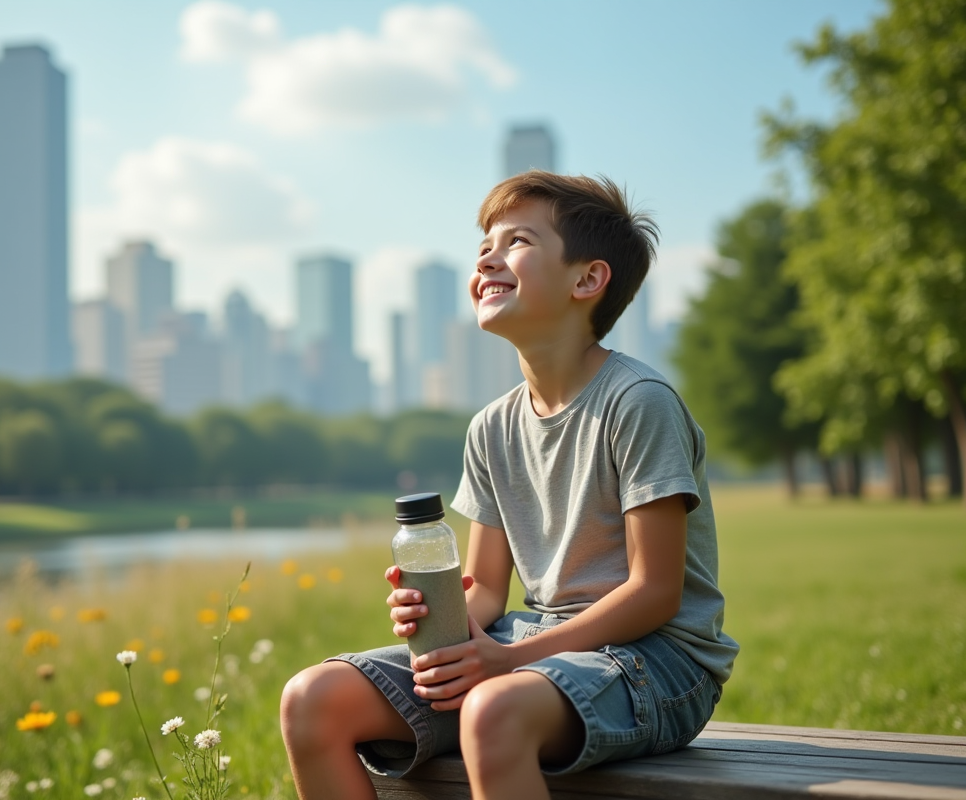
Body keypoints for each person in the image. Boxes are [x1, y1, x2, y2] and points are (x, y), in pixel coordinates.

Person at [280, 171, 739, 800]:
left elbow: (655, 593)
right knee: (312, 699)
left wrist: (505, 662)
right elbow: (489, 590)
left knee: (492, 708)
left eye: (517, 240)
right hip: (529, 646)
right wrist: (443, 621)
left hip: (657, 662)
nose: (488, 257)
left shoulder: (638, 403)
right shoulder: (491, 427)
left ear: (587, 279)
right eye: (483, 247)